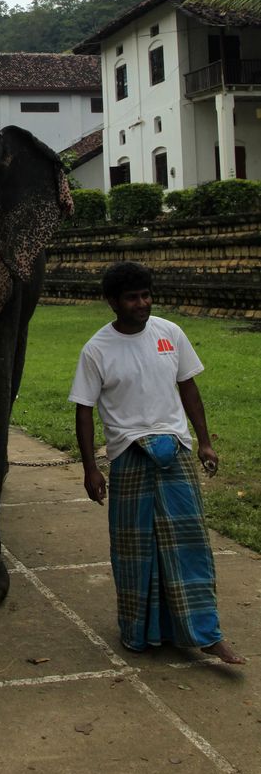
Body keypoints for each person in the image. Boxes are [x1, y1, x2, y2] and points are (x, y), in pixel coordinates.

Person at [68, 260, 244, 665]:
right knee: (135, 550)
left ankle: (207, 634)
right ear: (112, 302)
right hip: (128, 456)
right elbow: (83, 410)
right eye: (132, 297)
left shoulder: (171, 333)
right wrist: (90, 468)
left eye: (146, 295)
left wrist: (203, 442)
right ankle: (141, 631)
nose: (142, 303)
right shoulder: (97, 349)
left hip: (176, 451)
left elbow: (188, 387)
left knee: (190, 544)